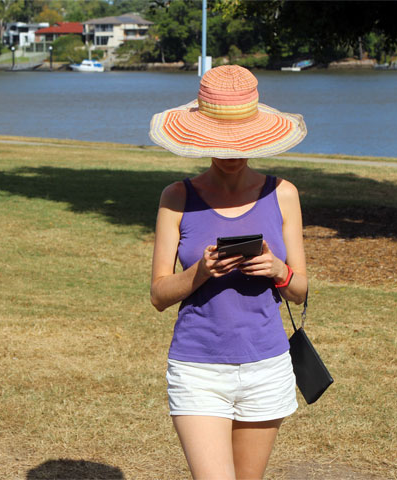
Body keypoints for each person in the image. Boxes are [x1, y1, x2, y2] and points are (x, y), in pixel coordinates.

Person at [149, 65, 309, 480]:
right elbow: (159, 295)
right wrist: (202, 270)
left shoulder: (283, 194)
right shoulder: (176, 197)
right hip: (198, 367)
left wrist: (277, 269)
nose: (233, 153)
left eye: (241, 142)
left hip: (266, 364)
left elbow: (301, 289)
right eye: (222, 142)